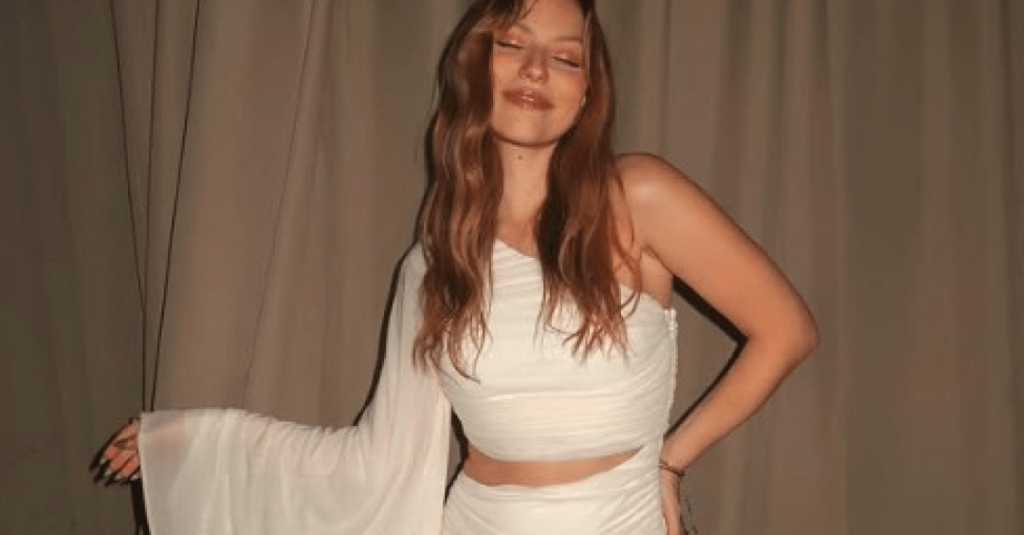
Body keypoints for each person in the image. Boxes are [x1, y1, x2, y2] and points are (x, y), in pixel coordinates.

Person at [96, 0, 818, 533]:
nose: (536, 69)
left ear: (587, 92)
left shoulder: (638, 197)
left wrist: (671, 458)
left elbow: (786, 330)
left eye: (566, 57)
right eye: (513, 44)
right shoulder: (434, 263)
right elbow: (373, 457)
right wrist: (195, 441)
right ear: (475, 65)